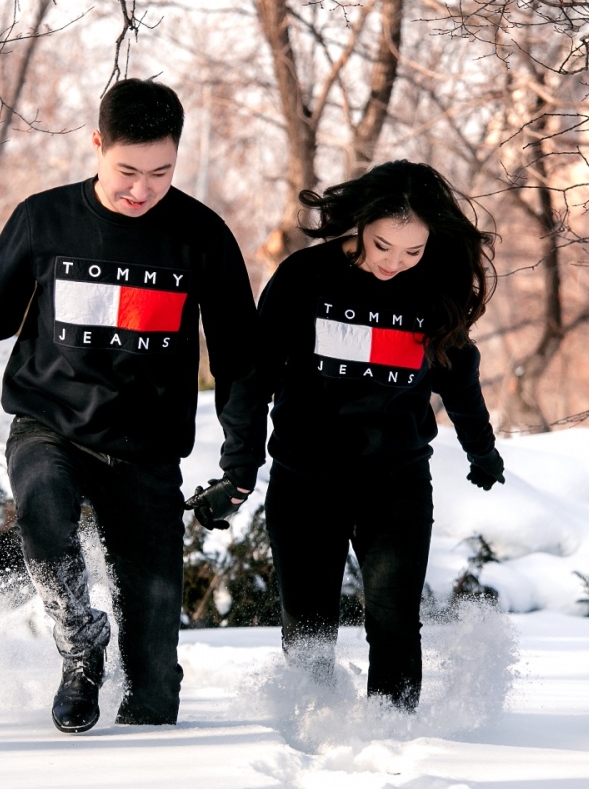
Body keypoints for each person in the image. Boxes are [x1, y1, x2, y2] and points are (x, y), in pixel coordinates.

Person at [0, 79, 264, 734]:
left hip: (147, 449)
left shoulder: (201, 236)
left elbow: (239, 359)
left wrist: (240, 468)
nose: (141, 189)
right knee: (43, 506)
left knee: (154, 691)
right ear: (98, 144)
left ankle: (147, 743)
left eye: (160, 172)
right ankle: (79, 644)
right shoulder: (45, 220)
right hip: (51, 424)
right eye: (127, 171)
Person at [195, 159, 504, 712]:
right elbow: (252, 378)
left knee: (395, 621)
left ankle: (392, 736)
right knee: (309, 627)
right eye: (383, 245)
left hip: (396, 481)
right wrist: (238, 469)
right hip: (306, 478)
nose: (394, 263)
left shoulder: (434, 291)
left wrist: (482, 451)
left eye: (412, 252)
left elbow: (459, 379)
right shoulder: (306, 277)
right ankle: (312, 730)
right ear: (361, 222)